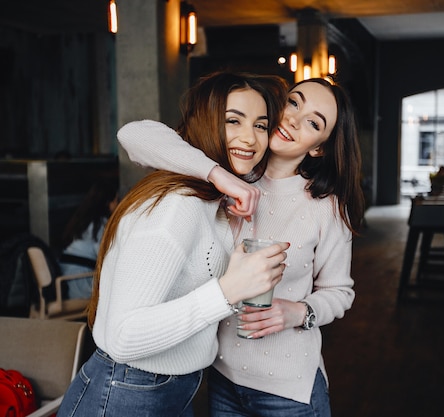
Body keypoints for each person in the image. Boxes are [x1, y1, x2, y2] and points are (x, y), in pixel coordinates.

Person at [118, 77, 365, 416]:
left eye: (313, 122)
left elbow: (339, 291)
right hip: (221, 379)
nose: (293, 119)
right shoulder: (231, 172)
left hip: (288, 389)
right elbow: (134, 135)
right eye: (294, 103)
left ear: (318, 147)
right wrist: (219, 175)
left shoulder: (326, 208)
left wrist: (296, 312)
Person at [57, 71, 290, 417]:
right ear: (205, 124)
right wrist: (228, 290)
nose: (249, 137)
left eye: (260, 125)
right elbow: (123, 337)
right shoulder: (178, 205)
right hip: (128, 390)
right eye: (233, 120)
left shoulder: (215, 204)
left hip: (173, 388)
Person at [58, 178, 119, 299]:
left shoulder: (82, 221)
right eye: (116, 200)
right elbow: (106, 258)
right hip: (79, 282)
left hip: (65, 279)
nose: (117, 205)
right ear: (108, 203)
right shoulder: (101, 225)